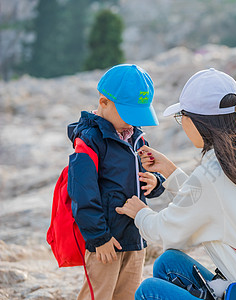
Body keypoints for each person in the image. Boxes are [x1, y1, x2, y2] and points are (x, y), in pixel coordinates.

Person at [116, 68, 236, 300]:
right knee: (168, 264)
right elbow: (212, 201)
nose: (183, 124)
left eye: (182, 117)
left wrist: (141, 213)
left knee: (148, 292)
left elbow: (168, 231)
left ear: (199, 121)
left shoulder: (214, 175)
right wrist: (170, 172)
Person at [67, 64, 165, 300]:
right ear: (104, 102)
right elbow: (82, 193)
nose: (133, 122)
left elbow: (147, 172)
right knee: (98, 294)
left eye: (138, 115)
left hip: (134, 236)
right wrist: (98, 237)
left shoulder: (137, 137)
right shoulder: (89, 141)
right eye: (128, 113)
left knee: (129, 294)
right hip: (105, 241)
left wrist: (155, 182)